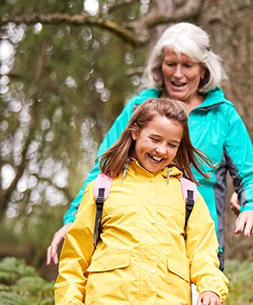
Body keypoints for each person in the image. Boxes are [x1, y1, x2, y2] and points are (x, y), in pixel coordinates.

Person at [46, 23, 253, 269]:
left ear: (203, 70)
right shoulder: (139, 107)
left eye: (187, 65)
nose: (177, 74)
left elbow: (248, 174)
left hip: (198, 245)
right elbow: (102, 168)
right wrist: (73, 219)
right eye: (171, 64)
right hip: (134, 241)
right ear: (159, 65)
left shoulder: (223, 115)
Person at [55, 98, 228, 304]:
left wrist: (210, 288)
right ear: (135, 132)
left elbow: (203, 251)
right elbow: (75, 259)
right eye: (155, 139)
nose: (162, 150)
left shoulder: (188, 194)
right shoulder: (102, 189)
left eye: (172, 144)